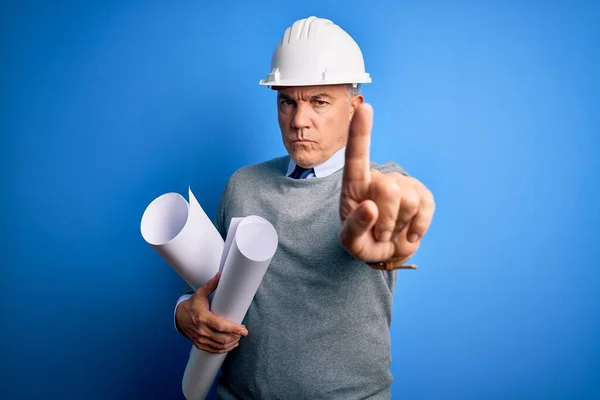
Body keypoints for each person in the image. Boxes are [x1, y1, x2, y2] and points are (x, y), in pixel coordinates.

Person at [174, 16, 435, 399]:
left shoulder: (375, 189)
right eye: (287, 102)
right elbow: (200, 291)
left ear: (353, 107)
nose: (299, 121)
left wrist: (390, 228)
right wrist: (184, 315)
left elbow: (398, 198)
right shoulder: (243, 186)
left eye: (319, 102)